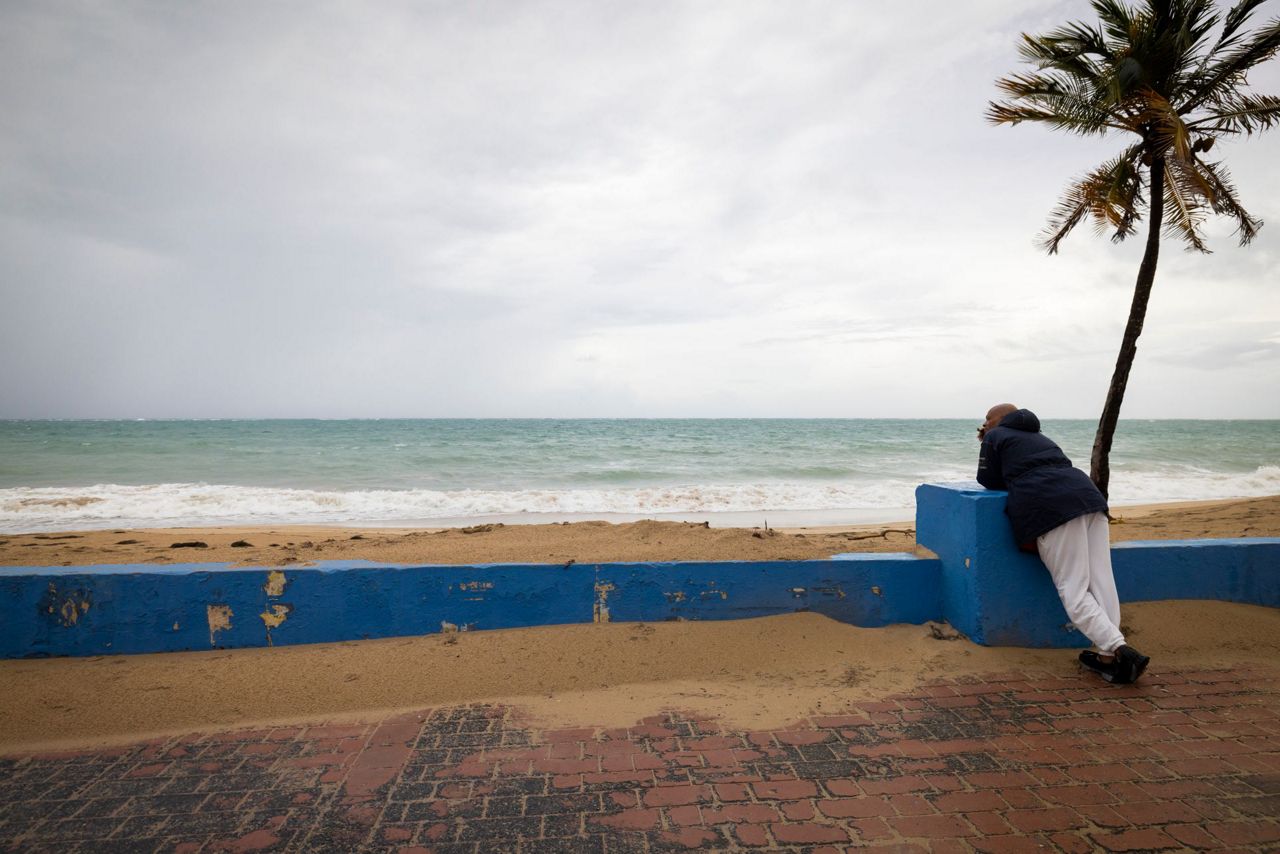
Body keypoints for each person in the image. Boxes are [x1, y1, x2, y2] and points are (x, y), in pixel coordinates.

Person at [976, 403, 1150, 684]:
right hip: (1088, 497)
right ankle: (1108, 659)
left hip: (1051, 507)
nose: (984, 422)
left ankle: (1120, 648)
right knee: (1101, 580)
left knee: (1073, 587)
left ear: (1002, 419)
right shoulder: (1040, 437)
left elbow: (987, 479)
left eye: (988, 417)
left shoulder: (997, 436)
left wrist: (987, 443)